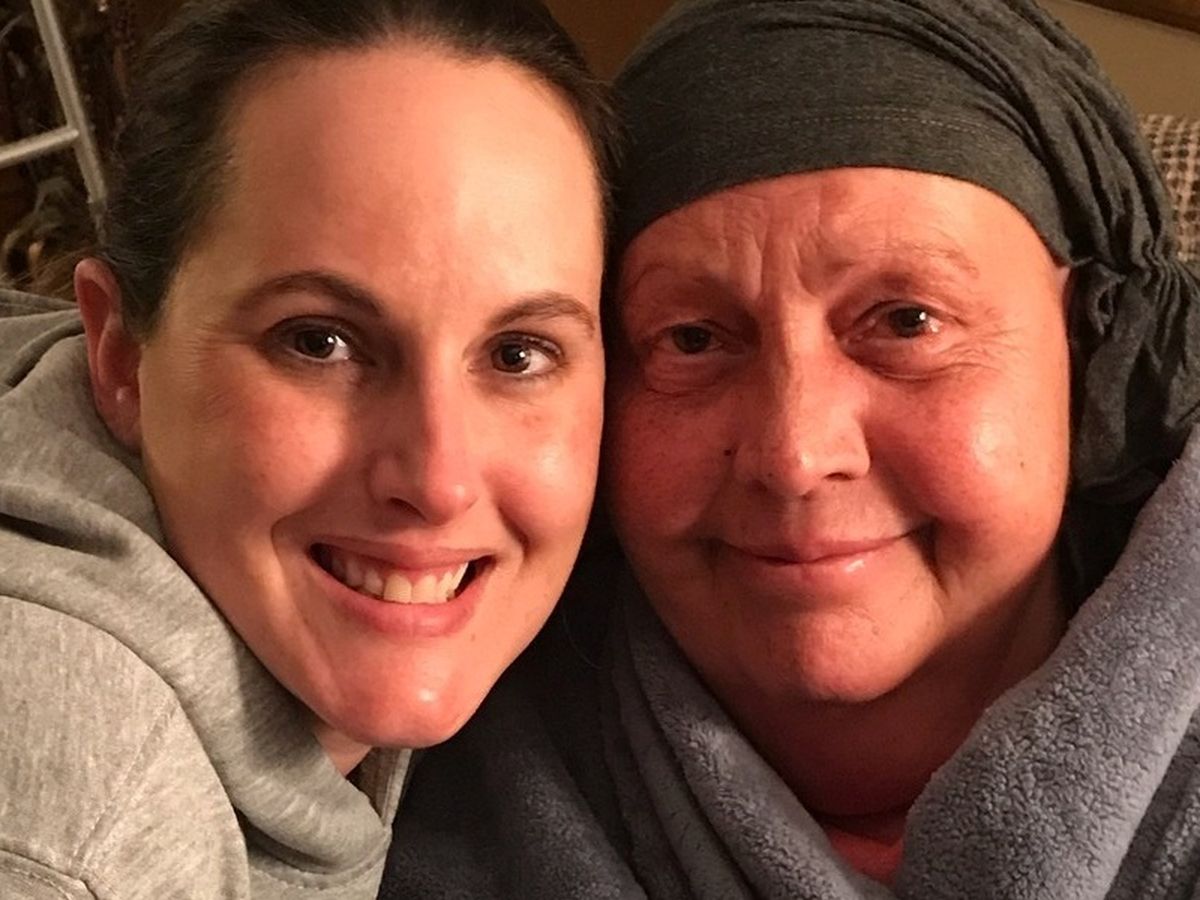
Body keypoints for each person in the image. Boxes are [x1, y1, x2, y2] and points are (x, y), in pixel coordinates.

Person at [383, 0, 1200, 897]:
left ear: (1088, 344)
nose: (794, 454)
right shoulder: (414, 767)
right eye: (692, 339)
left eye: (907, 321)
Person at [0, 0, 616, 896]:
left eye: (519, 354)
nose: (439, 481)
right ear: (122, 357)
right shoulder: (71, 819)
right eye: (319, 342)